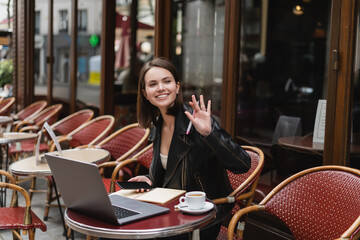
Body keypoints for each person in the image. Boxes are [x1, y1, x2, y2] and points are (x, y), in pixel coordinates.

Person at [128, 57, 251, 239]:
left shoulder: (196, 122)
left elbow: (243, 164)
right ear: (145, 93)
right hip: (168, 210)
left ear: (177, 87)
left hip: (199, 217)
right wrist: (149, 180)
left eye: (167, 81)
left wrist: (210, 133)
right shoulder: (158, 125)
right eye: (153, 84)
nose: (161, 88)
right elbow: (171, 173)